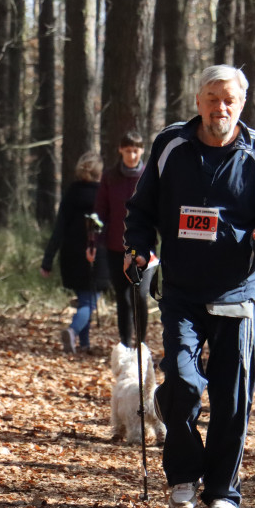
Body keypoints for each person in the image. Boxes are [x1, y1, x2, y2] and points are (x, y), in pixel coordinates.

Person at [123, 65, 255, 508]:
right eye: (211, 98)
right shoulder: (171, 145)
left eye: (229, 100)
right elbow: (141, 208)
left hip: (235, 291)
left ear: (241, 104)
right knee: (181, 384)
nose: (219, 108)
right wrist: (138, 248)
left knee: (233, 394)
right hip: (181, 289)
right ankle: (184, 474)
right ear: (197, 100)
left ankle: (223, 490)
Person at [97, 131, 156, 347]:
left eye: (136, 150)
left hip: (145, 248)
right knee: (122, 297)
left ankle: (140, 343)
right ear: (120, 150)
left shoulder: (150, 176)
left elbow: (159, 209)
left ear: (141, 151)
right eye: (128, 150)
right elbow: (101, 211)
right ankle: (125, 343)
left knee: (140, 295)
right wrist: (94, 241)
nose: (132, 155)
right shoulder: (110, 178)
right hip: (116, 246)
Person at [41, 153, 105, 354]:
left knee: (84, 300)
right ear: (98, 173)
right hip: (98, 254)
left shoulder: (71, 193)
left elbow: (59, 228)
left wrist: (48, 260)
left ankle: (84, 344)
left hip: (72, 255)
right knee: (90, 301)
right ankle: (73, 331)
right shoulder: (103, 195)